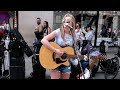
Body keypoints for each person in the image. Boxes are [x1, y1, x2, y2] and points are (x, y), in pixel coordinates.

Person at [41, 13, 82, 79]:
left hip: (66, 62)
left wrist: (80, 55)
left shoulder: (74, 35)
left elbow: (74, 49)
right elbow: (43, 40)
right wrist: (55, 50)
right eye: (64, 21)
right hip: (55, 61)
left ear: (72, 23)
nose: (66, 23)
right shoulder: (58, 31)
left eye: (68, 21)